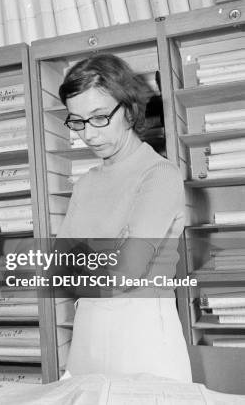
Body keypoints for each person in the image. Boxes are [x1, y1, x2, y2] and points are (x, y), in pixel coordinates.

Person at [55, 54, 192, 382]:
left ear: (129, 111)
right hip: (87, 336)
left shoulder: (160, 175)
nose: (88, 134)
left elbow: (127, 270)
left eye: (99, 117)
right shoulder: (86, 182)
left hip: (143, 339)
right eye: (77, 121)